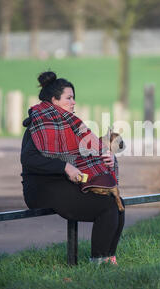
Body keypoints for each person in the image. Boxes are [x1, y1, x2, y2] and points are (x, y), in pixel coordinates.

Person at [20, 71, 124, 265]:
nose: (74, 102)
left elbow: (85, 151)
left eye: (73, 98)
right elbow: (28, 159)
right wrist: (64, 167)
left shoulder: (69, 124)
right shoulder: (40, 124)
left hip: (66, 184)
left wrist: (106, 156)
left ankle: (109, 260)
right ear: (54, 100)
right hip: (41, 188)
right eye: (69, 98)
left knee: (117, 204)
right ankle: (98, 264)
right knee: (107, 208)